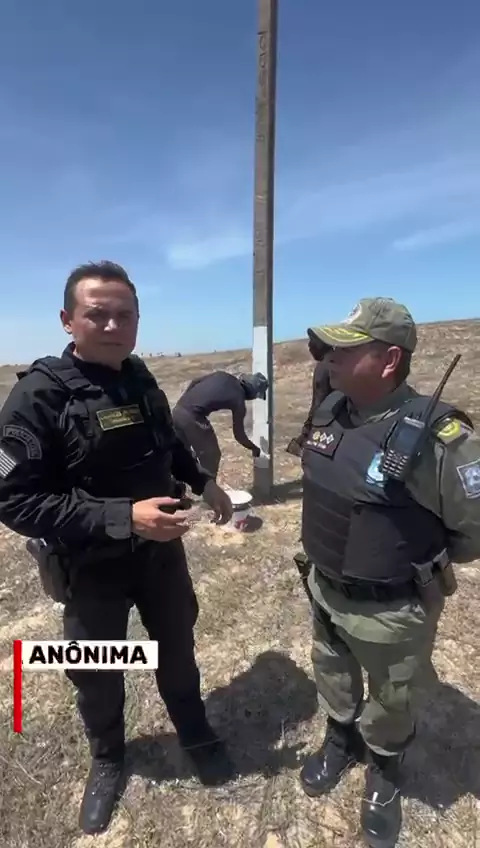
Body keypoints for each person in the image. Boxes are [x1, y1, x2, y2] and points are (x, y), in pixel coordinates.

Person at [0, 261, 235, 836]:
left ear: (137, 320)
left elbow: (168, 442)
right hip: (90, 566)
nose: (112, 326)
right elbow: (14, 499)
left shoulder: (139, 376)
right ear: (68, 320)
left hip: (160, 558)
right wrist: (123, 517)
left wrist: (203, 480)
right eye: (97, 314)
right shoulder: (37, 396)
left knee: (176, 649)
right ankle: (107, 757)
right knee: (98, 669)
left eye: (124, 315)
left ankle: (195, 731)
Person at [297, 297, 480, 848]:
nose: (329, 358)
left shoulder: (439, 438)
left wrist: (404, 559)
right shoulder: (330, 411)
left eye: (345, 349)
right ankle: (339, 736)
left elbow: (472, 530)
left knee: (392, 696)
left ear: (390, 360)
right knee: (331, 667)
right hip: (324, 586)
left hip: (391, 607)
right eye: (328, 348)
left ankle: (384, 768)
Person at [172, 370, 268, 479]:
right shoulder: (239, 400)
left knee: (182, 454)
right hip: (192, 417)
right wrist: (254, 448)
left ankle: (176, 486)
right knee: (211, 456)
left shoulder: (222, 375)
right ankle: (208, 487)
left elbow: (194, 381)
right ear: (252, 393)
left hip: (177, 410)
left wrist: (184, 403)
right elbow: (239, 435)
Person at [286, 331, 332, 456]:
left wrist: (306, 432)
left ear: (321, 345)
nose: (309, 347)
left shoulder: (324, 368)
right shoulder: (334, 363)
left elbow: (319, 402)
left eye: (312, 342)